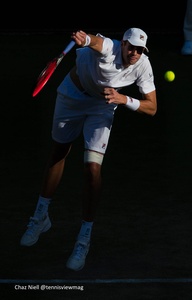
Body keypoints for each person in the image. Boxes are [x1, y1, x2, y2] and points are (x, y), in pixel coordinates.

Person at [20, 28, 157, 271]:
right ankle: (40, 217)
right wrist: (85, 40)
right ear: (123, 43)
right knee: (59, 152)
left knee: (92, 170)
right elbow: (96, 42)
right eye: (132, 47)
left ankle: (84, 237)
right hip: (72, 96)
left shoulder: (143, 65)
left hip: (102, 107)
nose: (135, 53)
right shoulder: (109, 47)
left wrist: (123, 99)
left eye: (140, 50)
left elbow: (152, 107)